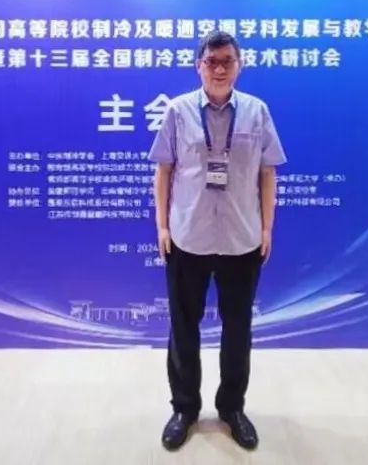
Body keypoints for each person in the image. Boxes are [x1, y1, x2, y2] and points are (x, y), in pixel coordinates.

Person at [148, 30, 287, 451]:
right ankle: (184, 409)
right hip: (187, 237)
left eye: (228, 61)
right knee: (183, 327)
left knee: (238, 329)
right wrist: (162, 227)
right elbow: (164, 170)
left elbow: (267, 172)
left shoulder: (257, 112)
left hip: (241, 239)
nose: (220, 69)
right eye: (212, 61)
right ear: (199, 67)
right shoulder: (178, 111)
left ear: (239, 66)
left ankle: (232, 409)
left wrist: (266, 229)